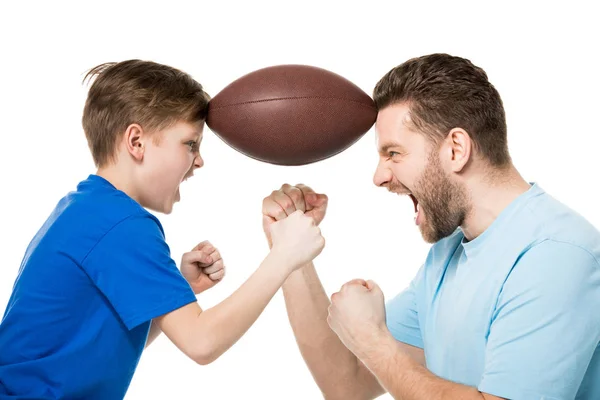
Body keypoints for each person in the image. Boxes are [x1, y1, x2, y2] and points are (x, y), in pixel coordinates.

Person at [262, 54, 600, 399]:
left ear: (456, 149)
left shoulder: (556, 255)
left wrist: (375, 343)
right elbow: (345, 382)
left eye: (393, 153)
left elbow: (379, 357)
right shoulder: (450, 253)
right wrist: (290, 253)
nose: (379, 177)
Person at [0, 60, 325, 399]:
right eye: (190, 144)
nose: (199, 161)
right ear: (136, 142)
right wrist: (284, 256)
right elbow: (203, 343)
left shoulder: (85, 208)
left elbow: (95, 344)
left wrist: (172, 293)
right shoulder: (122, 224)